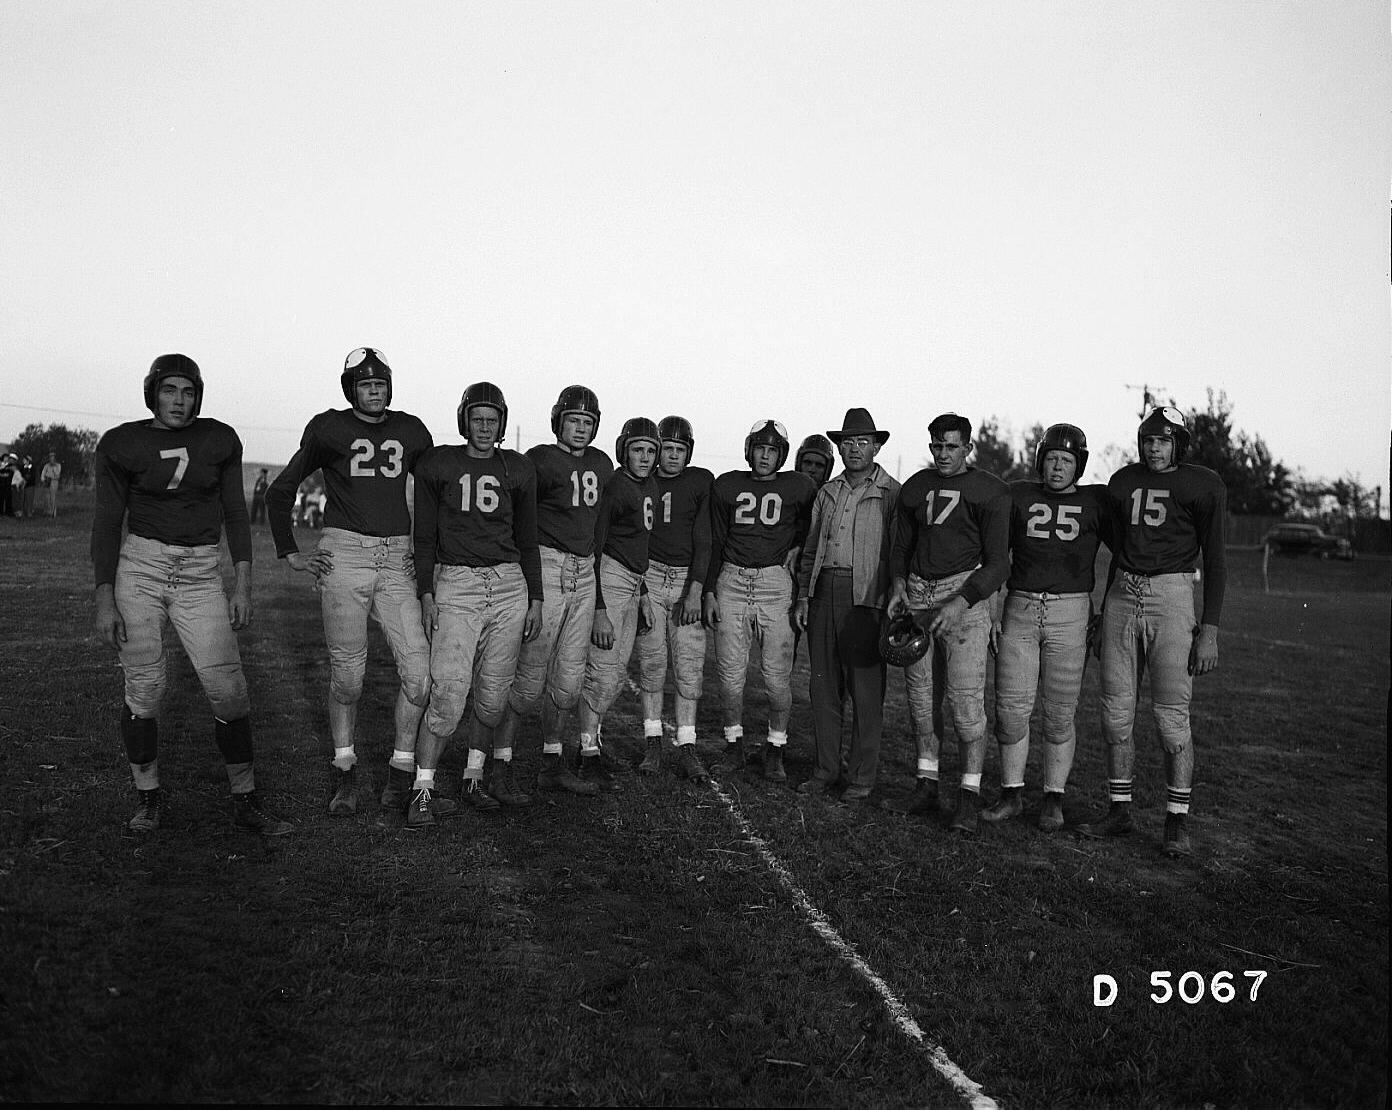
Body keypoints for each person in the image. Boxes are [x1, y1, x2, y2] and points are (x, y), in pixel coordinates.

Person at [91, 353, 290, 836]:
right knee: (146, 688)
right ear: (152, 393)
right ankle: (148, 797)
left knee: (228, 690)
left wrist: (243, 584)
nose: (179, 401)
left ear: (198, 396)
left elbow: (236, 513)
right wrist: (104, 597)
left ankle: (245, 800)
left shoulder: (217, 439)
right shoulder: (121, 444)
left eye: (187, 391)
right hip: (140, 569)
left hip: (201, 572)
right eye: (169, 390)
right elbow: (108, 522)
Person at [266, 347, 437, 821]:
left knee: (420, 676)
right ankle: (345, 770)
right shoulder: (330, 428)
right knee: (347, 677)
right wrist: (290, 551)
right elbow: (282, 489)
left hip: (397, 557)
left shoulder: (412, 430)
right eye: (366, 385)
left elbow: (436, 491)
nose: (374, 392)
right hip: (344, 554)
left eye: (380, 384)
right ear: (351, 390)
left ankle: (400, 771)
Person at [1086, 406, 1226, 857]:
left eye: (1163, 440)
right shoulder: (1123, 481)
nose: (1154, 448)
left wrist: (1210, 629)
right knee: (1115, 711)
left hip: (1172, 597)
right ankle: (1119, 810)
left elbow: (1216, 560)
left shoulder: (1202, 484)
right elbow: (1120, 551)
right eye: (1148, 439)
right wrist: (1103, 611)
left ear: (1178, 444)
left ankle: (1177, 818)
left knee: (1171, 717)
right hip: (1122, 595)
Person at [408, 382, 542, 827]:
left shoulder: (517, 469)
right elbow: (424, 536)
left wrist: (536, 597)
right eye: (477, 418)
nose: (484, 427)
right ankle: (422, 788)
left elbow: (527, 540)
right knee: (448, 692)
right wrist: (426, 592)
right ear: (464, 420)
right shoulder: (440, 464)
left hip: (508, 585)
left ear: (502, 423)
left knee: (493, 695)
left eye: (492, 419)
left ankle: (473, 778)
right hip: (458, 583)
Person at [885, 412, 1010, 833]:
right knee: (921, 700)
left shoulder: (989, 490)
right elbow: (901, 545)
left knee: (965, 704)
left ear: (967, 448)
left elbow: (998, 563)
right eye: (937, 446)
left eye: (952, 446)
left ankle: (969, 795)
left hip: (963, 595)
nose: (943, 454)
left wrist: (963, 601)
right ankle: (927, 783)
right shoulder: (917, 487)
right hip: (918, 594)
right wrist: (898, 583)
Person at [983, 423, 1111, 832]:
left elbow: (1129, 553)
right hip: (1020, 607)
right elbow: (995, 554)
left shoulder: (1096, 502)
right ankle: (1011, 793)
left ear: (1079, 465)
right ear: (1041, 460)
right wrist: (992, 608)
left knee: (1059, 714)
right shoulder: (1018, 495)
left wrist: (1108, 610)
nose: (1058, 467)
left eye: (1066, 460)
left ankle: (1054, 798)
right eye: (1052, 458)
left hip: (1070, 612)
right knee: (1010, 711)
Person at [494, 385, 613, 796]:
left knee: (568, 681)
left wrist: (599, 599)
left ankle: (551, 763)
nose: (580, 428)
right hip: (547, 565)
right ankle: (500, 765)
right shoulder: (540, 459)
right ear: (558, 421)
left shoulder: (602, 463)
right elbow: (517, 519)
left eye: (587, 422)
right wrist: (530, 587)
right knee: (528, 679)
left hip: (585, 571)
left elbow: (599, 531)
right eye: (573, 420)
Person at [794, 408, 900, 803]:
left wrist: (891, 598)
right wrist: (804, 595)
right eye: (848, 442)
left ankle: (862, 775)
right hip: (825, 589)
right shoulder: (827, 492)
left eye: (863, 442)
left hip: (867, 597)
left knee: (866, 691)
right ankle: (825, 769)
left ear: (876, 447)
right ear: (839, 448)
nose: (855, 449)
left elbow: (899, 550)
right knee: (823, 687)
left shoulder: (891, 492)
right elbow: (811, 549)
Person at [705, 419, 817, 782]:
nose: (765, 456)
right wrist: (708, 589)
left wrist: (800, 544)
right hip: (732, 579)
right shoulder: (727, 485)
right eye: (760, 449)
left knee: (776, 678)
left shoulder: (799, 486)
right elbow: (715, 539)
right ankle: (733, 744)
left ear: (782, 455)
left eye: (772, 450)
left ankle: (775, 748)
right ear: (748, 450)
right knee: (730, 676)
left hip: (775, 583)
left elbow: (814, 526)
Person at [573, 418, 659, 789]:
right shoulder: (616, 486)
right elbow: (596, 547)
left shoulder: (649, 484)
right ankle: (587, 753)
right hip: (610, 578)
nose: (645, 457)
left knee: (615, 675)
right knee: (602, 674)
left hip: (633, 581)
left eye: (651, 450)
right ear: (624, 450)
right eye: (638, 449)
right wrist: (599, 609)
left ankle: (592, 742)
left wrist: (644, 593)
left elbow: (639, 544)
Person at [633, 415, 714, 783]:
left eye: (680, 449)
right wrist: (640, 587)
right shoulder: (642, 482)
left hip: (684, 580)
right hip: (649, 575)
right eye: (667, 448)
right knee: (651, 665)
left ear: (689, 452)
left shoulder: (699, 482)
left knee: (689, 668)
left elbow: (704, 540)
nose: (673, 456)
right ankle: (653, 741)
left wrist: (696, 588)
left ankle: (687, 745)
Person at [40, 453, 61, 517]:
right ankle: (47, 511)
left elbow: (57, 474)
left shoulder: (58, 465)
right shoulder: (46, 465)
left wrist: (54, 468)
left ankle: (53, 512)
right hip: (47, 481)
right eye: (50, 458)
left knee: (53, 497)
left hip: (54, 481)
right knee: (46, 497)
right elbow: (43, 473)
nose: (51, 459)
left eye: (53, 458)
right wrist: (43, 479)